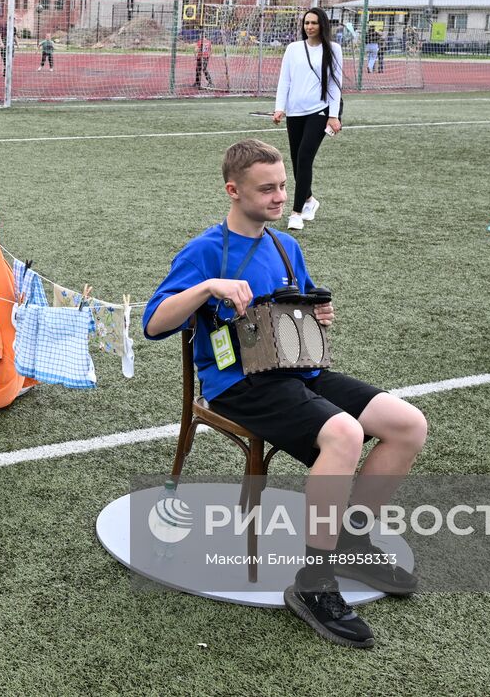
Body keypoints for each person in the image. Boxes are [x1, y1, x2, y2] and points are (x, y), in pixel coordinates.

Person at [144, 139, 427, 649]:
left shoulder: (284, 246)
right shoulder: (206, 250)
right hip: (239, 385)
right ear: (233, 190)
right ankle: (314, 585)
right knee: (343, 433)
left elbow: (305, 302)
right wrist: (209, 287)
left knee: (408, 424)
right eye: (267, 188)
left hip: (298, 371)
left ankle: (349, 540)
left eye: (283, 187)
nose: (280, 197)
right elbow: (154, 324)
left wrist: (320, 314)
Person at [272, 8, 342, 230]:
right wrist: (279, 108)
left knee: (304, 159)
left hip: (319, 112)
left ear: (322, 25)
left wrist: (333, 115)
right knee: (295, 162)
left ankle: (296, 213)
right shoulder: (293, 49)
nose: (309, 27)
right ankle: (310, 200)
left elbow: (334, 84)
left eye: (313, 23)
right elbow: (285, 80)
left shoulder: (334, 49)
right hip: (295, 112)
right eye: (306, 23)